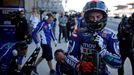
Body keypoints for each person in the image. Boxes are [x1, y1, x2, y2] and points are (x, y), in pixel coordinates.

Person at [65, 0, 122, 75]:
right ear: (87, 18)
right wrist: (78, 64)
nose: (95, 20)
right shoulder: (78, 33)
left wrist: (103, 52)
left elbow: (118, 63)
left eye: (98, 17)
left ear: (103, 17)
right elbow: (68, 56)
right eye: (92, 17)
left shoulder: (110, 35)